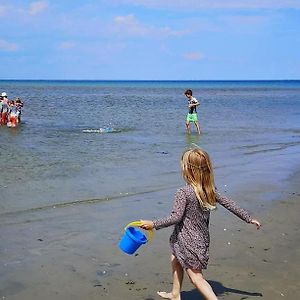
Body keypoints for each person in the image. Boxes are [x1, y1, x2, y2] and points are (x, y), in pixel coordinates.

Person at [139, 148, 261, 300]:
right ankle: (175, 294)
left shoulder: (183, 192)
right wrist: (248, 218)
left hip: (188, 242)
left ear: (187, 169)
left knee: (196, 278)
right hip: (200, 240)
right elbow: (230, 204)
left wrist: (153, 224)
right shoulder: (209, 190)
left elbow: (175, 217)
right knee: (175, 258)